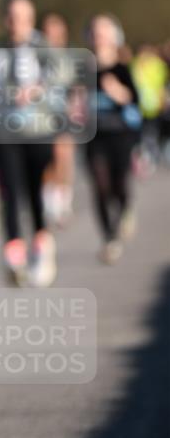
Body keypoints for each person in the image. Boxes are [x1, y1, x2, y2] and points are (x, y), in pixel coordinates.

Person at [0, 0, 57, 287]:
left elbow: (60, 82)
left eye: (23, 17)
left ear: (32, 19)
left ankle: (41, 243)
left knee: (35, 189)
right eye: (12, 16)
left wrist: (36, 91)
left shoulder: (44, 49)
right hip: (5, 130)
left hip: (38, 130)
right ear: (5, 19)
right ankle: (13, 251)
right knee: (10, 190)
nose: (17, 23)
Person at [84, 15, 141, 264]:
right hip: (93, 135)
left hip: (120, 135)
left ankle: (126, 209)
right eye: (95, 32)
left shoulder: (123, 68)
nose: (99, 37)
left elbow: (137, 101)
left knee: (119, 183)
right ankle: (109, 238)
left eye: (104, 32)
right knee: (99, 185)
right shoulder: (82, 69)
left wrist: (117, 92)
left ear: (114, 36)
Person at [40, 12, 76, 228]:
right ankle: (49, 198)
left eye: (56, 29)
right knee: (47, 158)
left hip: (65, 111)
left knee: (63, 154)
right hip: (42, 114)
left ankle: (64, 198)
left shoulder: (71, 56)